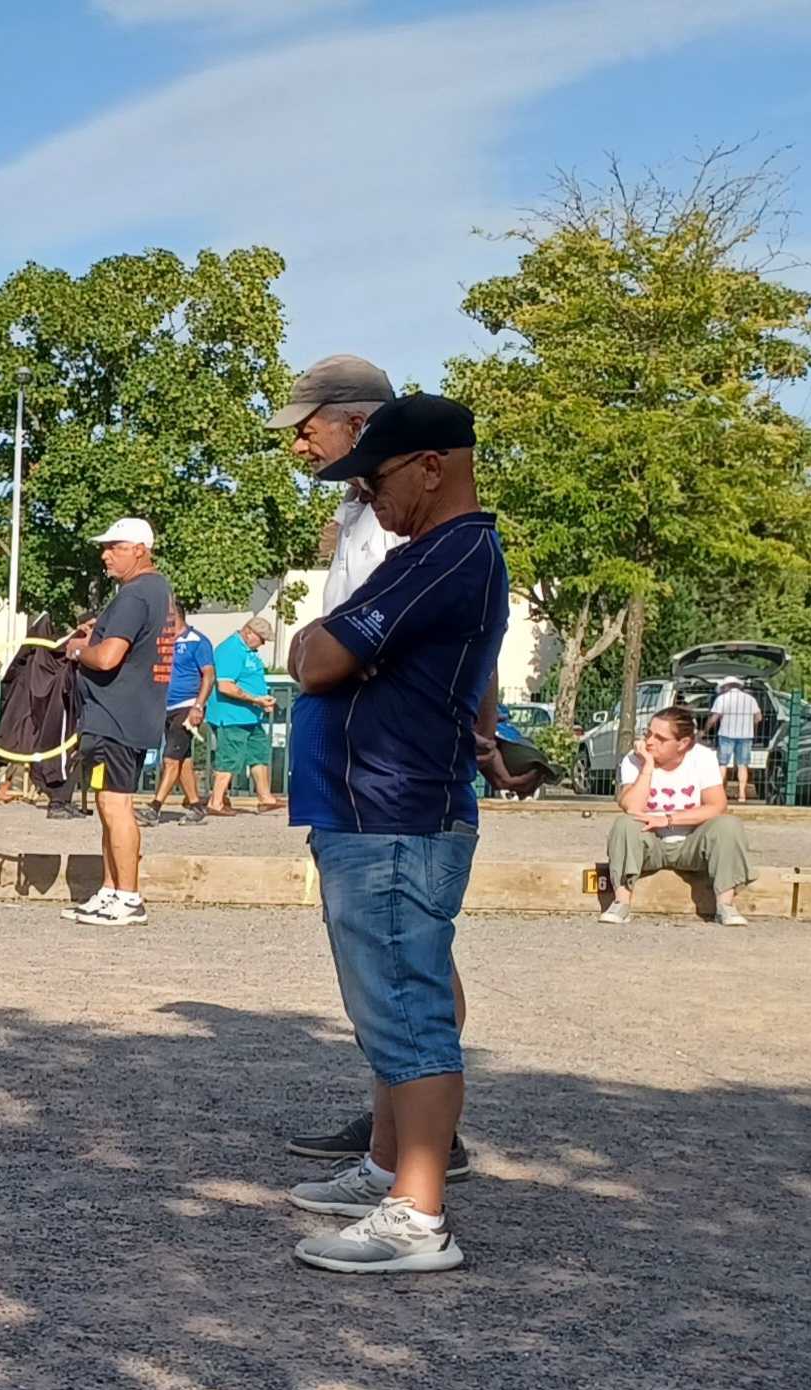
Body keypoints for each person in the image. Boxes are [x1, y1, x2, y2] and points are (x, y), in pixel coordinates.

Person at [279, 393, 505, 1275]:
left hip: (396, 815)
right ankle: (388, 1169)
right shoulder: (431, 555)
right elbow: (319, 647)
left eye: (376, 478)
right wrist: (323, 647)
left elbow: (321, 656)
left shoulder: (449, 554)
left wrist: (324, 650)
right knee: (391, 1002)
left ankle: (418, 1214)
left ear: (430, 467)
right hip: (378, 811)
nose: (368, 497)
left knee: (409, 1008)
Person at [59, 518, 170, 926]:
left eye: (115, 547)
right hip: (130, 714)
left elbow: (107, 658)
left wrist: (77, 649)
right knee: (108, 803)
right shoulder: (158, 590)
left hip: (114, 718)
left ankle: (128, 897)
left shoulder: (134, 594)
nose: (105, 555)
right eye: (105, 547)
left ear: (140, 549)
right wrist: (100, 631)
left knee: (114, 803)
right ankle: (110, 890)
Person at [271, 354, 405, 614]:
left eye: (306, 433)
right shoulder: (357, 503)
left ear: (355, 427)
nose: (296, 447)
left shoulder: (410, 513)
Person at [602, 706, 755, 926]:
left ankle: (725, 905)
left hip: (692, 844)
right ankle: (621, 903)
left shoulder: (702, 758)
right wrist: (647, 766)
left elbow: (717, 806)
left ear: (682, 744)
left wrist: (668, 819)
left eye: (660, 738)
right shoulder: (634, 760)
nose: (649, 742)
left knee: (728, 825)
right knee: (625, 824)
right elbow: (632, 807)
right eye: (648, 733)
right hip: (650, 843)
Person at [2, 612, 81, 817]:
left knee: (72, 755)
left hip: (56, 710)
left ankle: (61, 800)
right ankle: (58, 801)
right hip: (56, 711)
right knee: (60, 755)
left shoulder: (38, 658)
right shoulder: (47, 659)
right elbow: (61, 648)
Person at [205, 618, 281, 814]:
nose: (263, 644)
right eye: (261, 639)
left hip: (250, 715)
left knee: (259, 754)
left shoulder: (248, 651)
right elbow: (225, 686)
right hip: (232, 716)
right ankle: (216, 802)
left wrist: (262, 700)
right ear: (249, 632)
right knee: (229, 758)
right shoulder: (230, 650)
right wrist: (256, 700)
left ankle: (265, 798)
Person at [150, 602, 214, 824]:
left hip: (187, 706)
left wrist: (198, 706)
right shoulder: (162, 641)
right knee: (182, 759)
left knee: (170, 759)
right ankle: (196, 806)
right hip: (165, 706)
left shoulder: (197, 641)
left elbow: (208, 675)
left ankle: (155, 807)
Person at [707, 678, 763, 804]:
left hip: (726, 734)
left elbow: (714, 718)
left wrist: (706, 730)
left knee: (722, 764)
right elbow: (759, 717)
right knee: (742, 765)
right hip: (746, 735)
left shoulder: (722, 699)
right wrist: (751, 725)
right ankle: (742, 794)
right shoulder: (750, 699)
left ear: (726, 686)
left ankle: (719, 793)